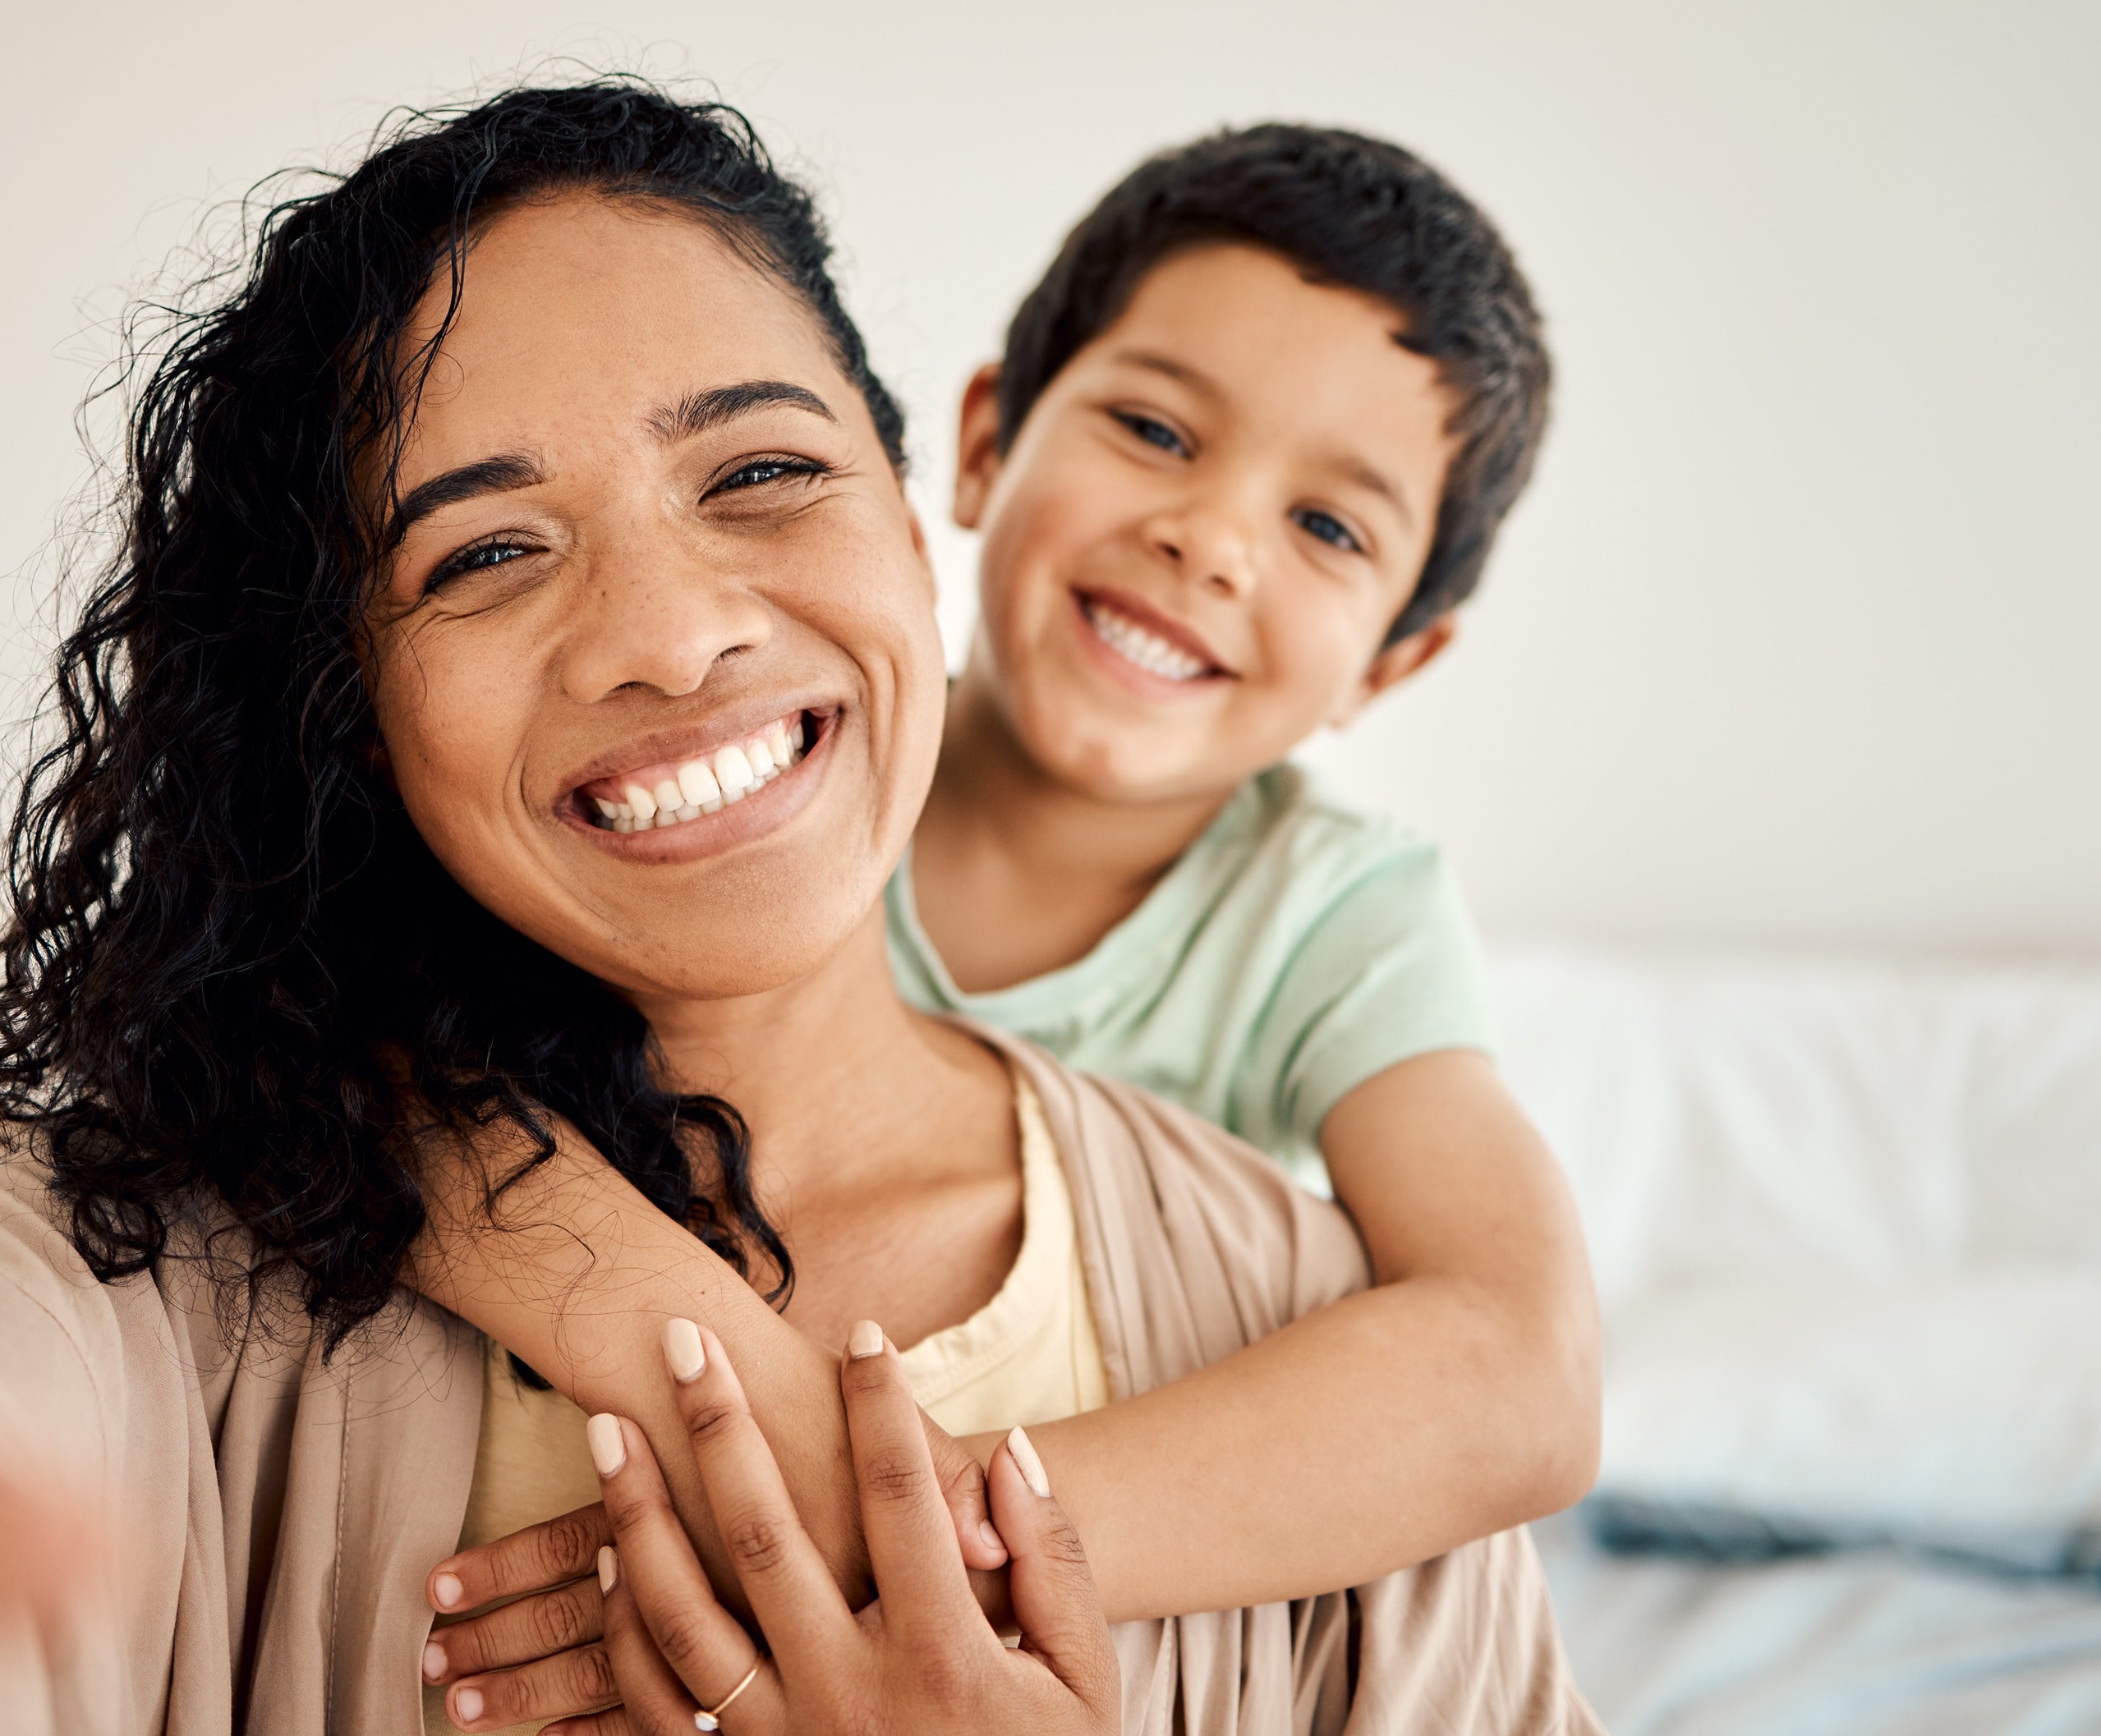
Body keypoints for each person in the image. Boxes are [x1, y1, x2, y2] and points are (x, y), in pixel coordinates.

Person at [0, 77, 1592, 1732]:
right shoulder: (153, 1273)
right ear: (339, 697)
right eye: (481, 551)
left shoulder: (1312, 1343)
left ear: (888, 503)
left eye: (757, 471)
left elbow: (1517, 1371)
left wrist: (922, 1559)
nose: (671, 634)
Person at [417, 123, 1596, 1734]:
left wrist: (915, 1533)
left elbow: (1519, 1370)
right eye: (1155, 427)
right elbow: (392, 1091)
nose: (1214, 536)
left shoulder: (1337, 910)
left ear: (1396, 656)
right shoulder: (769, 776)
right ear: (980, 444)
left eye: (1331, 527)